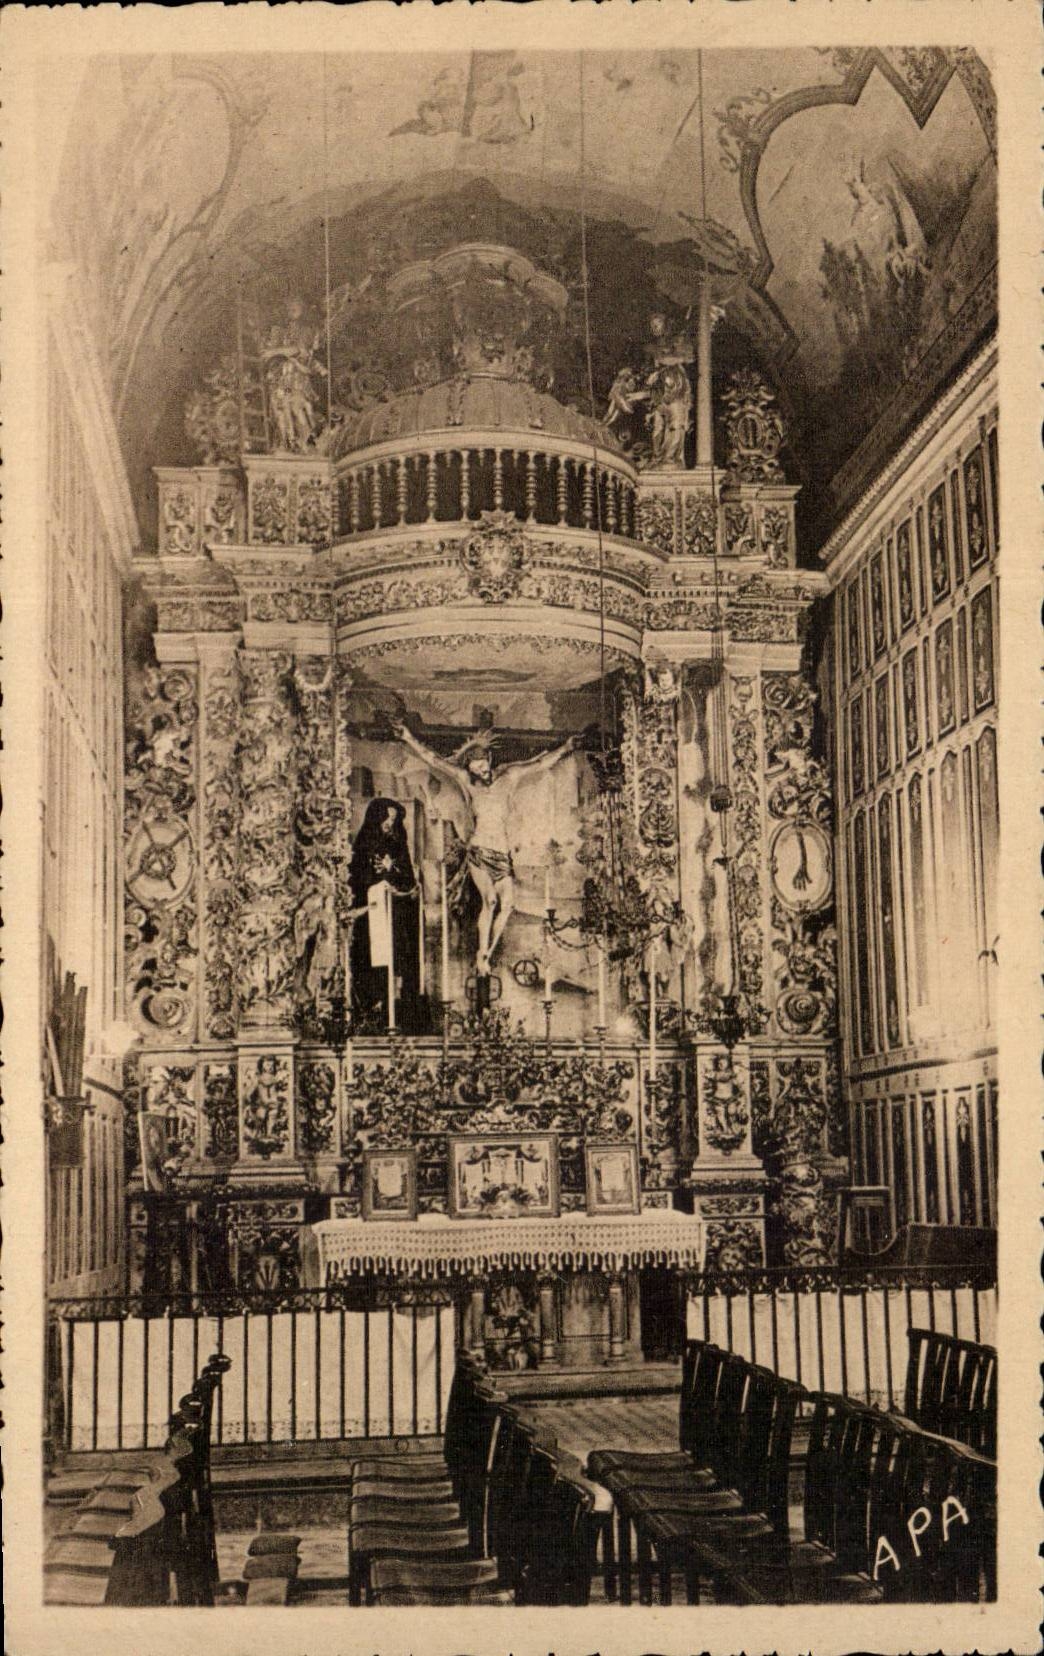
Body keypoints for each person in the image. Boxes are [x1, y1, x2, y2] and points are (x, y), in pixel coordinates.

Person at [390, 720, 580, 975]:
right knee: (490, 901)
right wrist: (408, 737)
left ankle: (487, 954)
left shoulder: (510, 776)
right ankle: (482, 952)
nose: (478, 768)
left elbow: (540, 764)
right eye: (473, 764)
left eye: (481, 762)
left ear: (489, 758)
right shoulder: (467, 781)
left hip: (502, 854)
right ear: (468, 767)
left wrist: (567, 747)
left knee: (508, 905)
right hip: (479, 851)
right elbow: (434, 760)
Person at [347, 797, 425, 1032]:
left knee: (396, 960)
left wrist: (395, 875)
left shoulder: (398, 845)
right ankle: (372, 1009)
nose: (389, 823)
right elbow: (356, 881)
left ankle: (398, 1011)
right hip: (370, 915)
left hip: (395, 915)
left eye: (393, 819)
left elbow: (408, 881)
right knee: (370, 960)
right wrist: (376, 887)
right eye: (386, 817)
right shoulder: (362, 846)